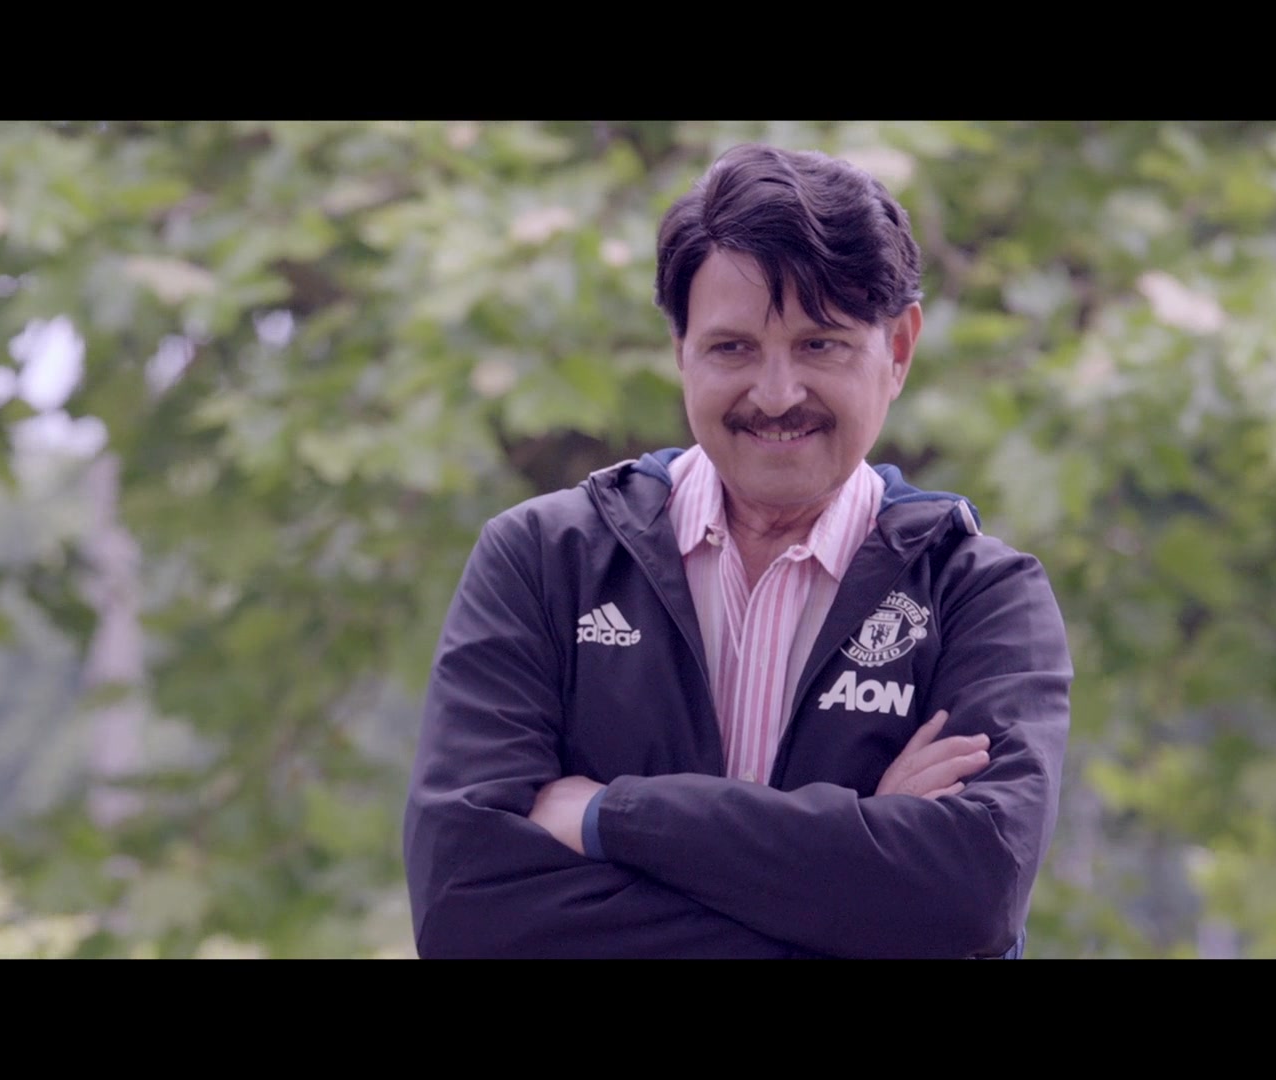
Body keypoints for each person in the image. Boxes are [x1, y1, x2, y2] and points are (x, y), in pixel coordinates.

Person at [401, 142, 1072, 959]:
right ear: (679, 349)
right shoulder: (545, 562)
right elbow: (466, 911)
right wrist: (864, 877)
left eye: (821, 344)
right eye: (733, 348)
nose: (777, 394)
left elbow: (972, 896)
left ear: (898, 349)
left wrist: (611, 816)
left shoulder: (980, 596)